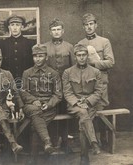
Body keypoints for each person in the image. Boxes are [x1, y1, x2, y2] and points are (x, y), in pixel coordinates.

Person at [78, 13, 115, 147]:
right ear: (83, 27)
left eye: (91, 24)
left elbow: (111, 62)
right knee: (87, 110)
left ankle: (103, 139)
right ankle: (90, 141)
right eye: (86, 25)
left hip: (101, 82)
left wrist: (94, 64)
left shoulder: (104, 42)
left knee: (100, 109)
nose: (89, 27)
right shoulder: (80, 43)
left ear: (96, 25)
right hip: (86, 84)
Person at [20, 44, 62, 160]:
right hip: (31, 106)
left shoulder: (53, 73)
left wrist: (48, 105)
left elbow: (58, 94)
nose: (37, 59)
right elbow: (23, 92)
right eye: (35, 56)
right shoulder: (27, 73)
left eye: (40, 56)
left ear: (46, 57)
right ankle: (47, 142)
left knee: (35, 125)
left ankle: (34, 160)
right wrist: (34, 101)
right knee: (35, 112)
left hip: (48, 108)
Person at [62, 44, 102, 165]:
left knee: (83, 122)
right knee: (83, 113)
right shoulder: (67, 72)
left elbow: (98, 91)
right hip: (74, 106)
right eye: (79, 55)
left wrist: (88, 101)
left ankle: (84, 159)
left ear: (87, 56)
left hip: (90, 104)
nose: (81, 58)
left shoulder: (96, 72)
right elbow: (67, 93)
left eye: (84, 55)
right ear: (75, 57)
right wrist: (77, 102)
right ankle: (94, 143)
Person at [43, 18, 74, 151]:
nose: (56, 32)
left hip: (65, 85)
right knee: (51, 112)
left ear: (63, 31)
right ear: (50, 32)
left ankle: (65, 142)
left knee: (65, 112)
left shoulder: (69, 46)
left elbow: (74, 67)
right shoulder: (45, 47)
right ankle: (53, 142)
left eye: (58, 30)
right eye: (53, 30)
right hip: (49, 87)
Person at [0, 14, 35, 80]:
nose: (15, 28)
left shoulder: (30, 43)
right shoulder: (2, 44)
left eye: (17, 25)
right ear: (9, 27)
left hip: (26, 80)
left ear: (22, 27)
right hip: (7, 80)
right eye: (12, 25)